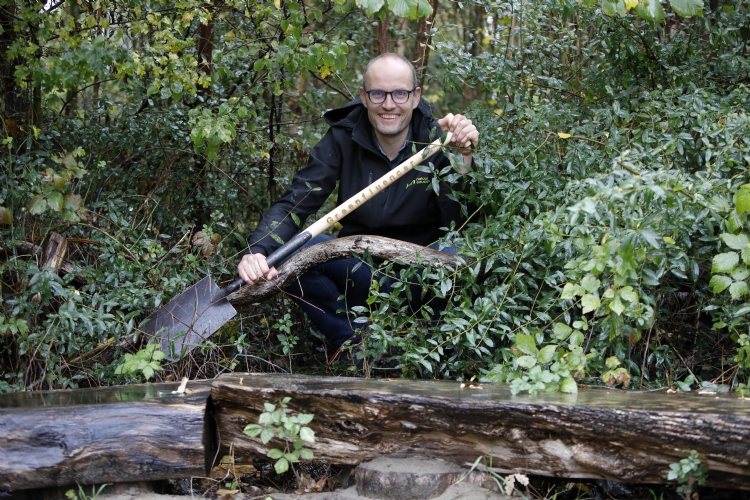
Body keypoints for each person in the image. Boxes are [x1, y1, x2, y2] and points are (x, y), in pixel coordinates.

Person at [238, 52, 479, 354]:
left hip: (423, 275)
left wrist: (464, 159)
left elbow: (463, 222)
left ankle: (432, 343)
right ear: (364, 97)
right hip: (360, 272)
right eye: (378, 93)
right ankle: (356, 346)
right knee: (289, 252)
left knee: (463, 254)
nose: (388, 104)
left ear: (416, 97)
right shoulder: (342, 137)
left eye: (400, 93)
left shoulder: (437, 139)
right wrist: (257, 251)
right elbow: (296, 202)